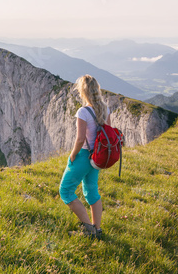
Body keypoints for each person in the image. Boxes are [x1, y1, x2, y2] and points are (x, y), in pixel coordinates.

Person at [59, 74, 110, 239]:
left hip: (84, 156)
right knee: (91, 191)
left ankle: (88, 230)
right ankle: (97, 230)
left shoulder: (83, 111)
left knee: (65, 190)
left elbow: (80, 139)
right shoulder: (105, 108)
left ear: (83, 91)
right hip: (97, 157)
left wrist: (73, 156)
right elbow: (108, 132)